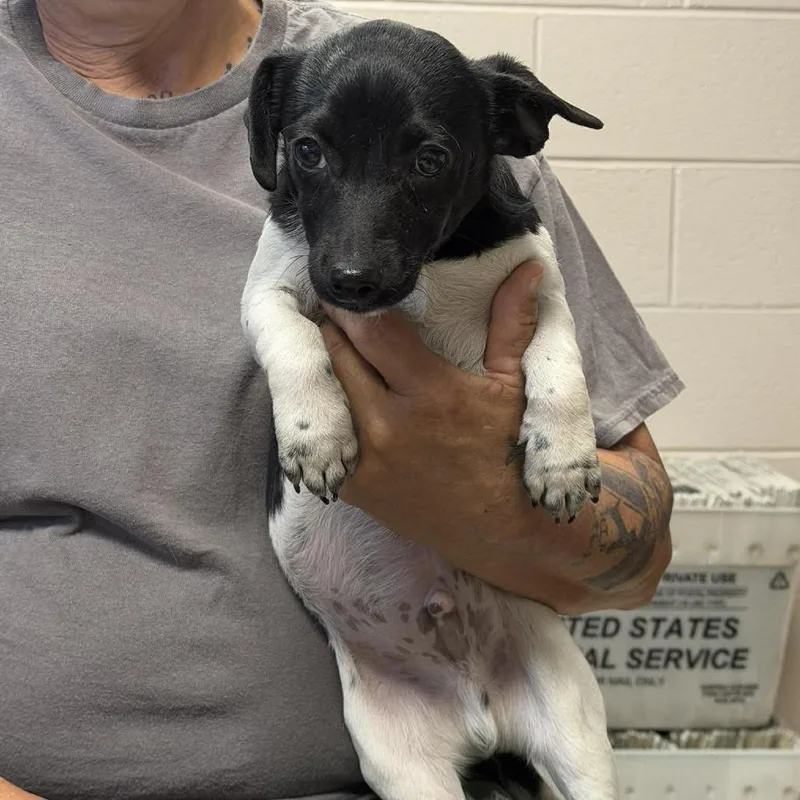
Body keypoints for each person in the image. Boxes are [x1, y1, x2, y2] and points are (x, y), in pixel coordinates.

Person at [0, 0, 683, 797]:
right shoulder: (316, 121)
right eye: (313, 154)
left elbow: (637, 568)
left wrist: (478, 490)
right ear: (279, 141)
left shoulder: (433, 99)